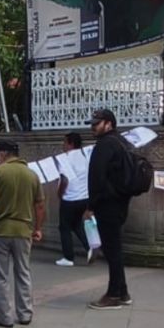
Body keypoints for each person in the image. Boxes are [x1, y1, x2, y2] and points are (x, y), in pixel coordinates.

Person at [0, 140, 44, 327]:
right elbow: (40, 205)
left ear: (2, 154)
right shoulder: (32, 175)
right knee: (23, 272)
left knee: (0, 276)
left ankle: (4, 317)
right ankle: (25, 314)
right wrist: (38, 228)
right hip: (24, 232)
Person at [84, 109, 135, 309]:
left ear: (108, 124)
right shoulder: (122, 142)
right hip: (120, 202)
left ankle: (113, 295)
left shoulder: (105, 145)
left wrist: (91, 207)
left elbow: (96, 179)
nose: (92, 128)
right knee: (114, 248)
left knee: (112, 250)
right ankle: (122, 292)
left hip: (108, 204)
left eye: (96, 124)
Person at [56, 132, 91, 267]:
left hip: (70, 198)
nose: (63, 145)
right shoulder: (85, 156)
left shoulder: (65, 159)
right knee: (76, 225)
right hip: (84, 197)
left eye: (64, 142)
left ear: (70, 143)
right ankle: (89, 248)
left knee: (64, 227)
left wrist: (60, 193)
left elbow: (64, 179)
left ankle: (68, 257)